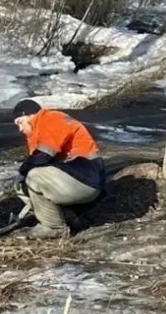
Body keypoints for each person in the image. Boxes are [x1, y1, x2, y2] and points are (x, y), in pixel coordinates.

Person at [11, 98, 106, 238]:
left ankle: (53, 227)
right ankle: (69, 218)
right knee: (22, 182)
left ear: (31, 115)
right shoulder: (37, 131)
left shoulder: (51, 119)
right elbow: (37, 160)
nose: (20, 129)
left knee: (34, 176)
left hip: (86, 178)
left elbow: (42, 156)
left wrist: (23, 172)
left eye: (20, 122)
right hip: (78, 179)